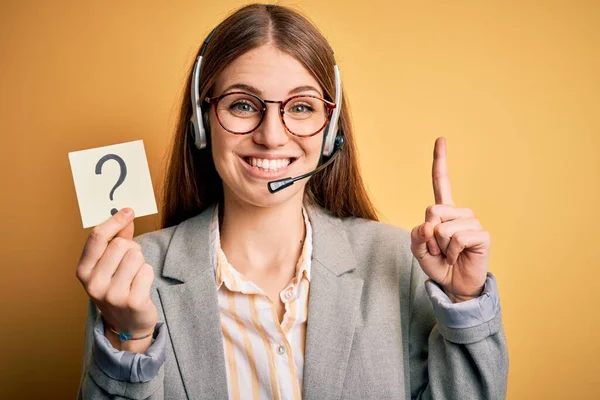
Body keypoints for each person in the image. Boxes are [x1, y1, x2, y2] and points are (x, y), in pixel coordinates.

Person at [76, 3, 508, 399]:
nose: (271, 135)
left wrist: (466, 305)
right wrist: (128, 339)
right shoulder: (132, 276)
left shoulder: (398, 261)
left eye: (301, 107)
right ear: (201, 120)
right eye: (243, 104)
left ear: (331, 128)